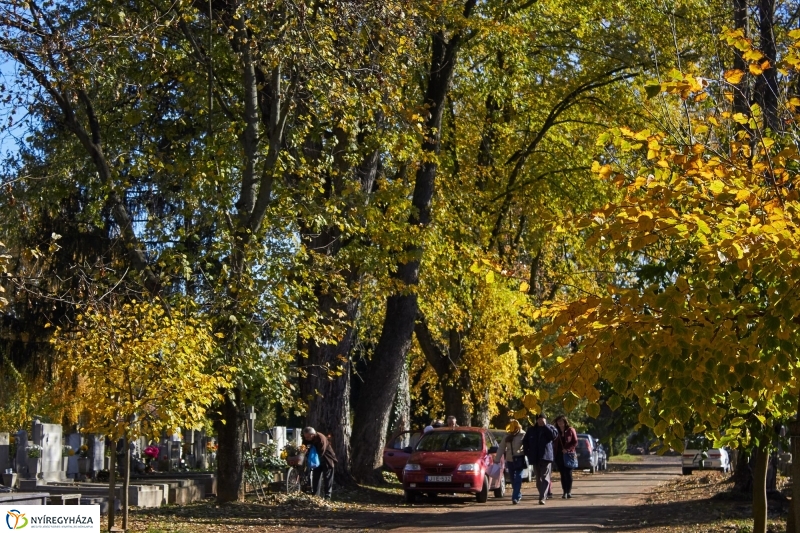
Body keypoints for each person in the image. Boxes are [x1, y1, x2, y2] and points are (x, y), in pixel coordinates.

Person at [523, 413, 559, 505]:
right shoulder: (531, 430)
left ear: (545, 420)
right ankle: (542, 494)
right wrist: (528, 452)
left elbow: (553, 436)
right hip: (535, 457)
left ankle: (542, 497)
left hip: (546, 457)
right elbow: (525, 442)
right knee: (538, 479)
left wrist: (545, 426)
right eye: (539, 419)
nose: (540, 421)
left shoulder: (550, 428)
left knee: (545, 478)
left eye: (542, 419)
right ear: (536, 420)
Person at [496, 419, 525, 504]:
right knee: (512, 479)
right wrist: (497, 459)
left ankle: (515, 497)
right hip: (510, 460)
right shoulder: (507, 436)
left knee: (518, 478)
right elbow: (501, 447)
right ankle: (518, 494)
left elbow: (527, 446)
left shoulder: (522, 435)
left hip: (519, 459)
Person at [302, 427, 337, 499]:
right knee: (316, 477)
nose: (306, 438)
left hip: (327, 459)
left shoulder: (320, 438)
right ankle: (315, 495)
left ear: (312, 434)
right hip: (316, 460)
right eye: (305, 437)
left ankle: (327, 496)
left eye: (308, 437)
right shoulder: (307, 439)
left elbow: (322, 451)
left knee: (327, 478)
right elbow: (304, 446)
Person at [553, 415, 578, 499]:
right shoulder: (556, 431)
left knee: (568, 473)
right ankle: (564, 492)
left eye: (561, 421)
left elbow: (575, 442)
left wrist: (567, 449)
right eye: (558, 421)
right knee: (562, 474)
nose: (560, 423)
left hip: (569, 454)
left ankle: (569, 491)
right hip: (559, 455)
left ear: (565, 422)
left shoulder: (571, 430)